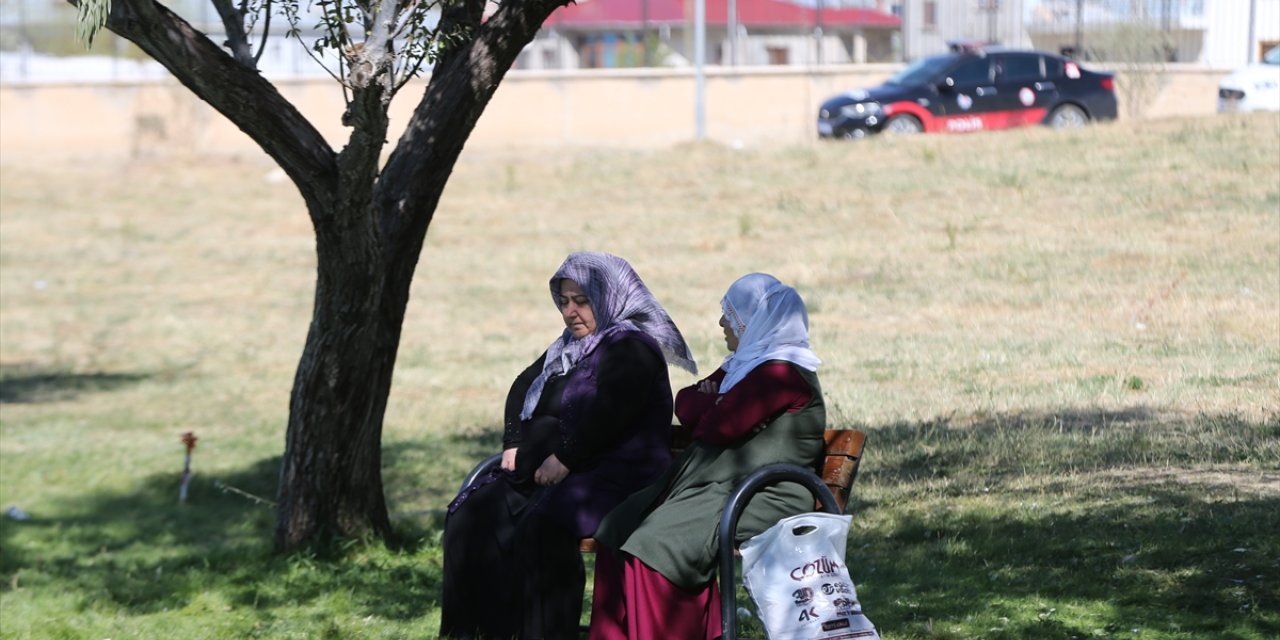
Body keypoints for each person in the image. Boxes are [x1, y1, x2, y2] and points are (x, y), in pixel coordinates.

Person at [439, 252, 697, 640]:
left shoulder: (631, 347)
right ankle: (482, 631)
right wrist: (513, 441)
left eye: (582, 300)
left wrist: (565, 458)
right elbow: (523, 385)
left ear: (608, 297)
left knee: (542, 529)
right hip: (563, 467)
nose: (570, 312)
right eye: (563, 301)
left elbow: (612, 413)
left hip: (619, 473)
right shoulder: (568, 346)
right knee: (470, 516)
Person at [587, 272, 826, 640]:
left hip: (765, 495)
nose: (721, 323)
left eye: (730, 316)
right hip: (719, 487)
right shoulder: (742, 366)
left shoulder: (781, 373)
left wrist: (713, 403)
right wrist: (713, 402)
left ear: (754, 322)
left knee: (656, 545)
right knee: (617, 528)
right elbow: (686, 401)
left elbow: (720, 427)